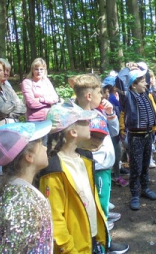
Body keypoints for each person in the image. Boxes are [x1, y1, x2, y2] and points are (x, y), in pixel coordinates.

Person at [38, 101, 111, 253]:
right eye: (84, 121)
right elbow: (55, 219)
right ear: (73, 132)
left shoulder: (85, 158)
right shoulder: (53, 170)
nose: (89, 123)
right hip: (73, 248)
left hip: (89, 240)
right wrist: (70, 249)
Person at [73, 75, 129, 254]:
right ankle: (103, 245)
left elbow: (112, 132)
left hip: (103, 167)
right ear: (89, 95)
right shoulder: (76, 117)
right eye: (99, 92)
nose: (103, 96)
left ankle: (103, 241)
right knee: (98, 208)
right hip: (95, 168)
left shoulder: (97, 112)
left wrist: (111, 113)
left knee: (101, 206)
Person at [0, 121, 53, 253]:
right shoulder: (24, 203)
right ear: (29, 156)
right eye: (41, 144)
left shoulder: (12, 190)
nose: (46, 148)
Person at [116, 64, 156, 211]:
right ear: (134, 85)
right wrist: (127, 69)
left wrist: (139, 67)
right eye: (142, 81)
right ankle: (134, 194)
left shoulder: (145, 93)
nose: (146, 83)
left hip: (148, 135)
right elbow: (120, 80)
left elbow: (146, 75)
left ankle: (145, 188)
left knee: (145, 164)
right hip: (135, 137)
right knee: (136, 167)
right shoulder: (127, 96)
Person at [0, 58, 26, 127]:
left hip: (14, 126)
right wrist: (15, 103)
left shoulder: (7, 87)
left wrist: (9, 113)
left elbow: (23, 108)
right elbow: (2, 111)